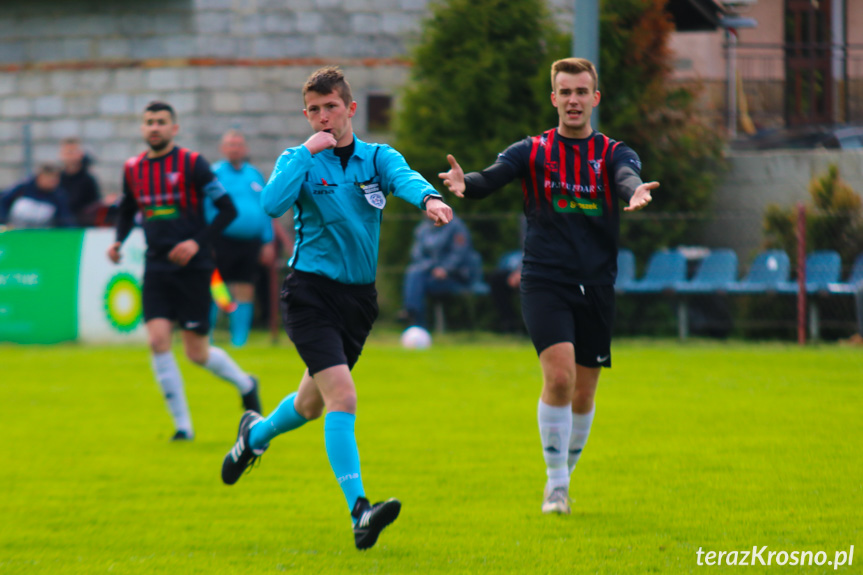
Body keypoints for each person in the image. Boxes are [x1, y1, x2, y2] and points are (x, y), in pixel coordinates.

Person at [220, 66, 453, 550]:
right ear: (305, 115)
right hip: (309, 294)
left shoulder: (376, 157)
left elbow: (404, 178)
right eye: (314, 110)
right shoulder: (297, 158)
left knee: (309, 404)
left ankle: (254, 435)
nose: (323, 117)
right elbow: (271, 204)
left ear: (349, 109)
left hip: (358, 302)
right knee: (341, 396)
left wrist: (429, 198)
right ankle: (360, 512)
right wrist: (306, 154)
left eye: (331, 107)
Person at [438, 57, 657, 515]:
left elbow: (625, 177)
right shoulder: (532, 150)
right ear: (553, 97)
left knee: (584, 393)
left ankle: (563, 476)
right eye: (565, 91)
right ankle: (555, 487)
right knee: (559, 377)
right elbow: (489, 178)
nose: (573, 100)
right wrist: (465, 183)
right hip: (544, 279)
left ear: (594, 98)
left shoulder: (615, 152)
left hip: (596, 284)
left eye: (581, 92)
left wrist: (633, 191)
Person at [107, 101, 262, 441]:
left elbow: (226, 209)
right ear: (143, 128)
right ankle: (183, 427)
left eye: (161, 122)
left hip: (194, 267)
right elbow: (127, 209)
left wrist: (196, 242)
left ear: (174, 128)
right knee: (158, 340)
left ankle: (246, 384)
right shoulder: (133, 168)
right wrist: (118, 241)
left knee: (197, 353)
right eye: (149, 122)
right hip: (157, 265)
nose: (154, 127)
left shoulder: (193, 164)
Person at [206, 129, 276, 347]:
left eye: (238, 144)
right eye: (230, 144)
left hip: (250, 242)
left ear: (244, 149)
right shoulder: (215, 174)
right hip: (222, 240)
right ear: (223, 149)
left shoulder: (254, 174)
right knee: (217, 287)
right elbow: (206, 207)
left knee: (245, 288)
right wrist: (207, 239)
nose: (235, 148)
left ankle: (239, 340)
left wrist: (268, 241)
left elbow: (265, 209)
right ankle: (207, 336)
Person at [400, 214, 482, 329]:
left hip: (455, 277)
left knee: (417, 282)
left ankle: (415, 319)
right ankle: (416, 320)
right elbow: (416, 254)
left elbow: (460, 253)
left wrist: (445, 269)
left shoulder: (456, 226)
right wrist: (432, 267)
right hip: (430, 275)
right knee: (415, 274)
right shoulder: (423, 228)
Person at [0, 163, 75, 228]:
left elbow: (65, 218)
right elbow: (3, 201)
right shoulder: (22, 188)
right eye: (50, 178)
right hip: (15, 232)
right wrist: (4, 222)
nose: (53, 182)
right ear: (40, 177)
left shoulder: (59, 196)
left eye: (56, 179)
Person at [59, 137, 106, 226]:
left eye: (73, 152)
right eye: (67, 153)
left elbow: (95, 203)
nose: (70, 156)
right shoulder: (57, 178)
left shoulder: (88, 180)